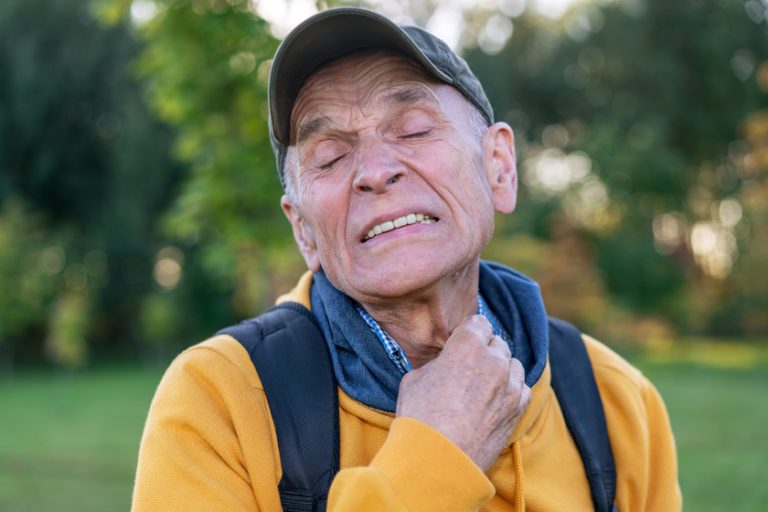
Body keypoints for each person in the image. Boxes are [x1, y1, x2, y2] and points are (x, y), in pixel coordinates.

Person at [131, 7, 681, 511]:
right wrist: (437, 456)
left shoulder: (616, 402)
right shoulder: (218, 401)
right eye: (330, 156)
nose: (374, 170)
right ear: (304, 231)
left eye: (414, 129)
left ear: (499, 168)